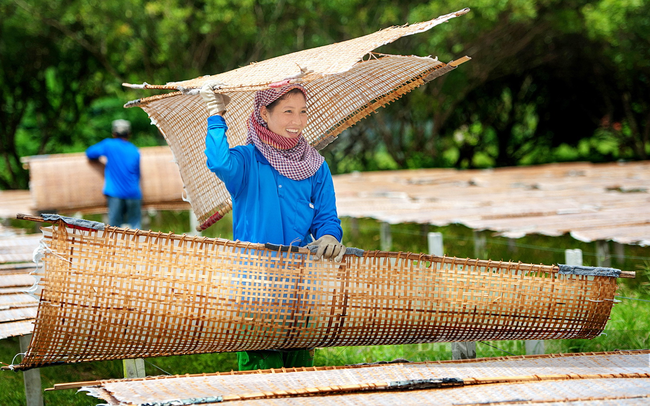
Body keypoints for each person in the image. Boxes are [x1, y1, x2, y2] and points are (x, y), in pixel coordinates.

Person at [201, 80, 345, 370]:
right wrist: (216, 117)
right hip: (255, 288)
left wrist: (329, 236)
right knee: (262, 379)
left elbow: (327, 216)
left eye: (303, 111)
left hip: (302, 287)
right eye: (288, 111)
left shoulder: (316, 165)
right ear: (264, 114)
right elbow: (217, 162)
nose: (297, 121)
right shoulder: (245, 161)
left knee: (301, 375)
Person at [86, 119, 142, 229]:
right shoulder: (135, 150)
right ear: (129, 134)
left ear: (114, 133)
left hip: (115, 194)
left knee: (114, 230)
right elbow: (138, 174)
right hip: (134, 194)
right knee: (136, 229)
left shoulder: (109, 145)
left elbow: (89, 153)